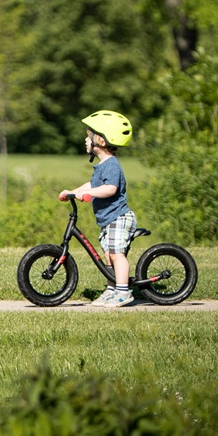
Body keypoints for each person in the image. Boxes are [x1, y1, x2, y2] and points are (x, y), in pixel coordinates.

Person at [59, 110, 137, 308]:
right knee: (108, 255)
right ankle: (111, 290)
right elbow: (91, 185)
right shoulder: (103, 165)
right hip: (108, 219)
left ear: (101, 141)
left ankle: (122, 292)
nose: (86, 140)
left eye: (89, 136)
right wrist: (72, 192)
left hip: (119, 217)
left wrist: (90, 194)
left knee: (117, 254)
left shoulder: (111, 165)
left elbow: (110, 189)